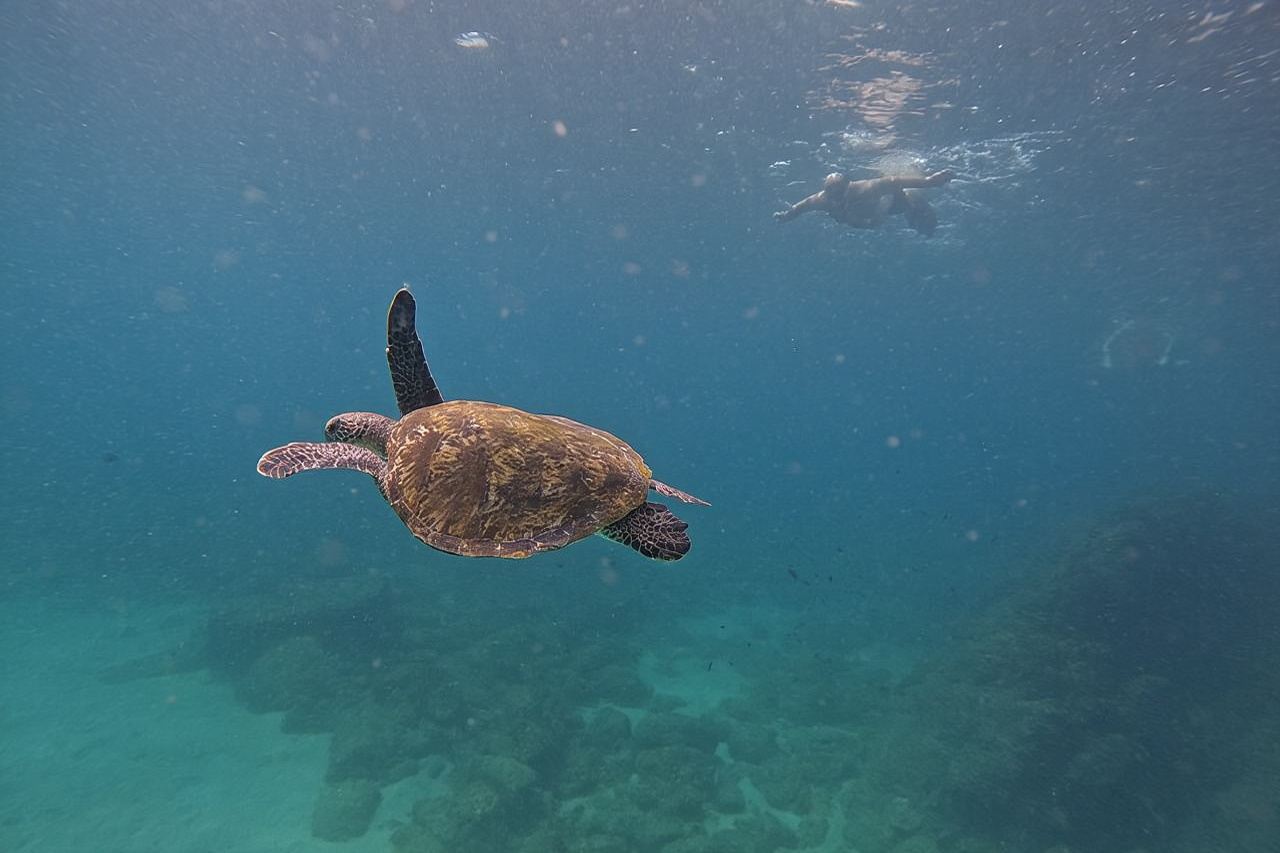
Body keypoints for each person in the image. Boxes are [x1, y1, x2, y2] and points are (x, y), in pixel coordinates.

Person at [773, 169, 954, 236]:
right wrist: (787, 216)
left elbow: (895, 181)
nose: (836, 199)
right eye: (832, 195)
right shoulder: (823, 199)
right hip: (869, 216)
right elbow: (803, 206)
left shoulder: (865, 188)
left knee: (926, 228)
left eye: (839, 194)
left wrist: (929, 181)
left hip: (897, 203)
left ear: (848, 187)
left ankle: (915, 208)